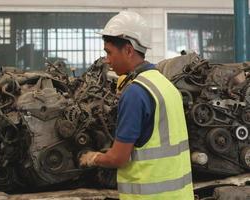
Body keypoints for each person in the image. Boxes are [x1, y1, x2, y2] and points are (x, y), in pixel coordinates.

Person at [79, 10, 194, 199]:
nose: (107, 60)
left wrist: (93, 158)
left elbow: (119, 158)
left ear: (128, 50)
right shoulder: (165, 85)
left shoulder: (135, 93)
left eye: (109, 52)